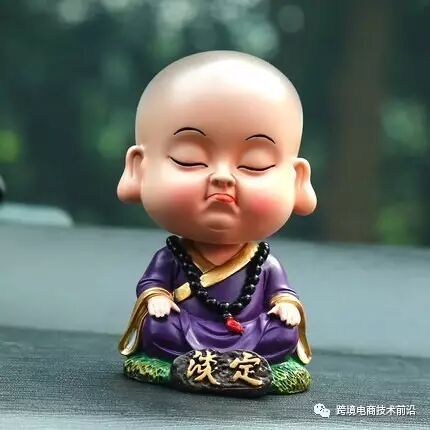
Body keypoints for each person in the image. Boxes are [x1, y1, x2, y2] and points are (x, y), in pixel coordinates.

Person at [117, 51, 316, 369]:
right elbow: (152, 284)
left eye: (255, 163)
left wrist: (285, 305)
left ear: (297, 180)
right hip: (186, 328)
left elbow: (282, 293)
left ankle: (243, 361)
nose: (222, 177)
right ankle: (196, 359)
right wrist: (157, 298)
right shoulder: (171, 258)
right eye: (189, 159)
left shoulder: (265, 264)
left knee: (284, 333)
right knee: (157, 327)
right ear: (138, 170)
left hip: (250, 332)